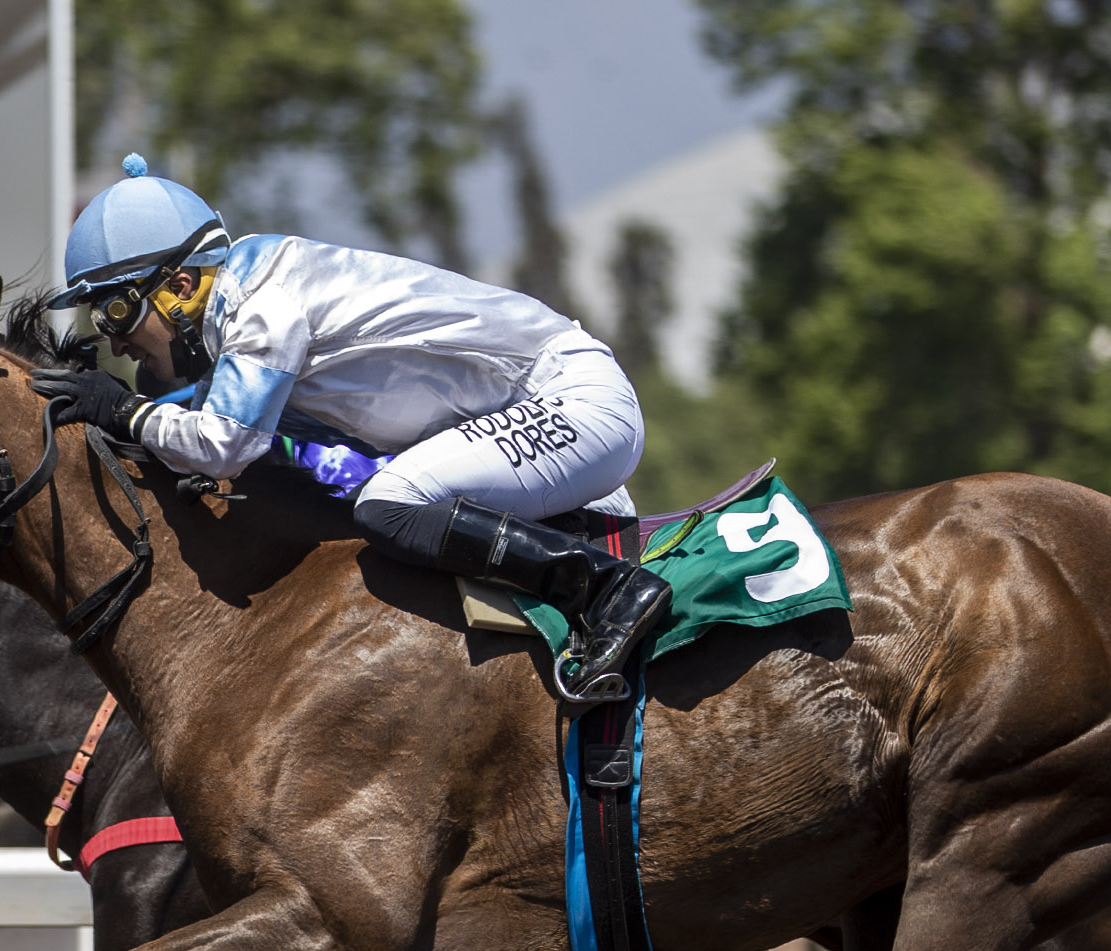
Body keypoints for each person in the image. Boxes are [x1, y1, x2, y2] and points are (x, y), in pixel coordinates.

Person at [33, 155, 666, 704]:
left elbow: (224, 444)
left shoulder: (262, 306)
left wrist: (123, 411)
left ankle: (610, 591)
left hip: (573, 404)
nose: (114, 340)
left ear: (179, 287)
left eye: (115, 311)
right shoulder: (244, 303)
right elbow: (213, 432)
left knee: (389, 504)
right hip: (545, 418)